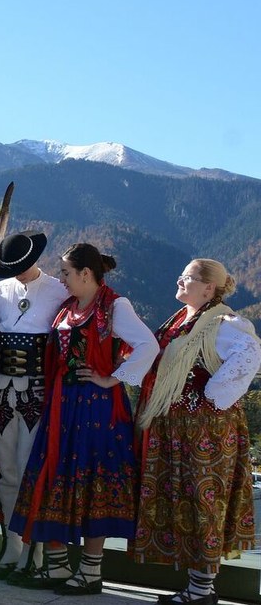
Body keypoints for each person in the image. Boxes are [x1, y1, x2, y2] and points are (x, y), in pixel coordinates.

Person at [8, 243, 158, 595]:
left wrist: (112, 378)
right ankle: (58, 567)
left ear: (86, 274)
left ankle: (91, 572)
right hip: (64, 404)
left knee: (94, 482)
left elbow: (148, 345)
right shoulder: (69, 307)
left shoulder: (115, 306)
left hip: (98, 409)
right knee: (54, 474)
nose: (61, 279)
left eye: (65, 273)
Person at [133, 259, 260, 604]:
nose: (180, 280)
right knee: (186, 500)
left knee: (204, 501)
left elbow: (249, 355)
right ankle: (197, 587)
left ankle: (202, 591)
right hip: (177, 426)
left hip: (206, 430)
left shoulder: (225, 324)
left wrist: (212, 396)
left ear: (208, 288)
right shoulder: (183, 320)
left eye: (187, 278)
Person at [0, 231, 69, 581]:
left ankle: (36, 549)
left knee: (30, 467)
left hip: (37, 390)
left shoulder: (59, 292)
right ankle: (12, 545)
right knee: (6, 470)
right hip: (2, 387)